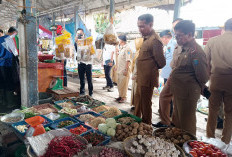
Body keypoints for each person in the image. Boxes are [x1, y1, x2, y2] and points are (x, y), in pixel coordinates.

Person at [170, 20, 209, 135]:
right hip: (179, 90)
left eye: (180, 36)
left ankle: (189, 145)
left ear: (190, 35)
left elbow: (203, 76)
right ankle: (179, 142)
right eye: (175, 35)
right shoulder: (184, 48)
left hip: (187, 93)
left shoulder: (195, 52)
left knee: (187, 122)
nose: (177, 38)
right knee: (178, 120)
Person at [134, 14, 166, 124]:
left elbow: (161, 63)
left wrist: (150, 69)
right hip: (141, 77)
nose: (140, 29)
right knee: (138, 102)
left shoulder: (154, 40)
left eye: (142, 26)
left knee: (145, 105)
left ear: (151, 24)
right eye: (138, 26)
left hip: (147, 80)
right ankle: (137, 123)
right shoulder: (146, 39)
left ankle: (147, 126)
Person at [205, 18, 232, 144]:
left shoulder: (213, 41)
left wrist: (209, 77)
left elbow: (206, 62)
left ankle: (210, 138)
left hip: (215, 79)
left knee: (213, 110)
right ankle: (225, 141)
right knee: (229, 113)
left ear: (224, 28)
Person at [0, 27, 20, 111]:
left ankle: (3, 101)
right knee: (9, 83)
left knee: (2, 82)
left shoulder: (2, 39)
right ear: (14, 32)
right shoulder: (8, 39)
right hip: (7, 64)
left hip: (1, 64)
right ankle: (10, 103)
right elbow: (16, 52)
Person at [74, 28, 93, 96]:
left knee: (89, 78)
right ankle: (82, 91)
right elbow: (77, 51)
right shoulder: (76, 42)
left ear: (83, 34)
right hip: (80, 62)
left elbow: (91, 50)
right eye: (78, 34)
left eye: (81, 34)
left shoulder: (88, 41)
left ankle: (91, 92)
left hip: (88, 62)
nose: (79, 35)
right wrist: (76, 42)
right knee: (81, 78)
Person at [115, 35, 132, 103]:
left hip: (124, 70)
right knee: (119, 84)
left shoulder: (127, 48)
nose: (117, 41)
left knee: (124, 85)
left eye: (118, 39)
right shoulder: (122, 48)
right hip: (120, 70)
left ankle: (124, 97)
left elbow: (128, 60)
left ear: (121, 40)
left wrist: (126, 70)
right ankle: (120, 96)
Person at [130, 38, 143, 111]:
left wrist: (135, 74)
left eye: (137, 43)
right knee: (135, 91)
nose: (135, 45)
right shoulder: (138, 52)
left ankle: (138, 106)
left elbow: (140, 66)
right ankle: (136, 105)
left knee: (137, 92)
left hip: (138, 76)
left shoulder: (142, 53)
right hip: (135, 74)